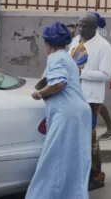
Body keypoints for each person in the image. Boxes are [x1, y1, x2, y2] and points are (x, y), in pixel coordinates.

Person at [26, 22, 91, 199]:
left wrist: (39, 94)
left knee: (54, 159)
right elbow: (53, 78)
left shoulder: (55, 57)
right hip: (77, 113)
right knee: (72, 161)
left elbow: (58, 84)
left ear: (47, 44)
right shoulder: (66, 56)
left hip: (67, 115)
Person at [69, 11, 111, 191]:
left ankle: (96, 176)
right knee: (77, 138)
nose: (80, 28)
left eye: (85, 26)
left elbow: (105, 75)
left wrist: (81, 73)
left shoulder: (104, 46)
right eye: (79, 25)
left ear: (95, 27)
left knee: (90, 139)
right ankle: (81, 173)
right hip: (73, 95)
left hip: (91, 99)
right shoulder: (76, 41)